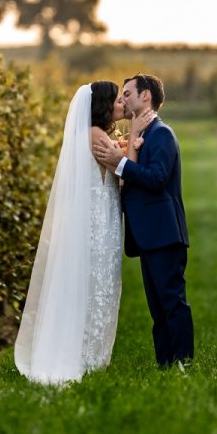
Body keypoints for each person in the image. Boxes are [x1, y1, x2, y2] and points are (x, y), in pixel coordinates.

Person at [14, 81, 154, 384]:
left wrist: (126, 142)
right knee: (96, 284)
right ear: (103, 107)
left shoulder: (97, 135)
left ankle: (92, 355)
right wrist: (132, 137)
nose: (121, 104)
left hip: (103, 222)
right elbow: (123, 170)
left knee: (102, 284)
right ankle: (86, 356)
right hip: (97, 225)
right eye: (116, 100)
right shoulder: (94, 136)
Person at [92, 74, 193, 369]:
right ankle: (166, 364)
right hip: (148, 235)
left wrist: (119, 162)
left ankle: (184, 363)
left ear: (145, 96)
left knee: (172, 303)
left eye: (127, 93)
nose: (122, 100)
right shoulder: (144, 135)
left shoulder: (161, 134)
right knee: (158, 307)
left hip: (164, 233)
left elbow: (157, 179)